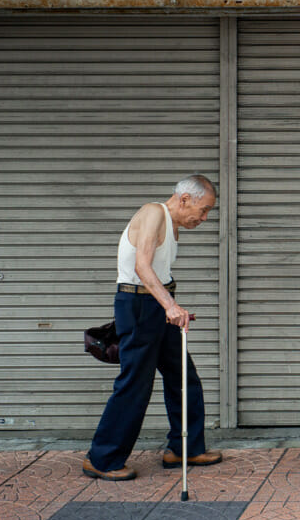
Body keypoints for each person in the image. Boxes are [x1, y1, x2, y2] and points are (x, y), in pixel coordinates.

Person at [83, 175, 223, 481]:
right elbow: (141, 267)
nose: (204, 217)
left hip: (157, 304)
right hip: (138, 306)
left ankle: (184, 449)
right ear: (185, 199)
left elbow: (157, 271)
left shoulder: (171, 224)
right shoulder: (152, 213)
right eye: (204, 209)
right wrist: (169, 306)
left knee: (183, 377)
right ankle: (102, 458)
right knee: (135, 384)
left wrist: (172, 306)